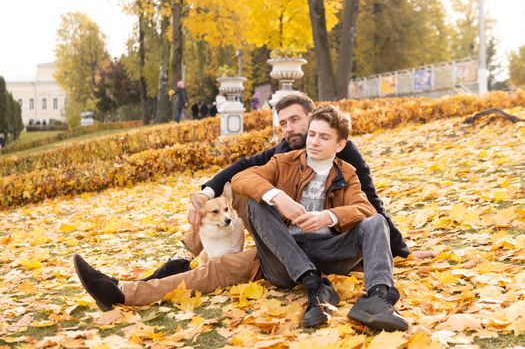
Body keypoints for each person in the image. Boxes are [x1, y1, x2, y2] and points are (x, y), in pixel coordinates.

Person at [73, 93, 432, 314]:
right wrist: (208, 197)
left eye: (299, 122)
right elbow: (240, 173)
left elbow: (370, 205)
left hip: (320, 246)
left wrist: (398, 248)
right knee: (230, 208)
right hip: (276, 243)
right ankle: (141, 280)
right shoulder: (283, 155)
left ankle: (126, 290)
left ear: (324, 128)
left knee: (214, 269)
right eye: (286, 124)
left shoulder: (345, 158)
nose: (293, 130)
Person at [231, 105, 407, 330]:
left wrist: (329, 217)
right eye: (312, 134)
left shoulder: (347, 173)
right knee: (256, 201)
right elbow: (241, 178)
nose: (314, 142)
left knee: (376, 222)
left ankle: (376, 298)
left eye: (324, 137)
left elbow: (366, 209)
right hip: (284, 258)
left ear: (340, 144)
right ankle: (314, 284)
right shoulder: (283, 162)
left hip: (329, 251)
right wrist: (278, 197)